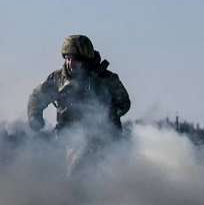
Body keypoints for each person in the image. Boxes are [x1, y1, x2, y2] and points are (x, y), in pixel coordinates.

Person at [27, 34, 131, 175]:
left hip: (103, 141)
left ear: (85, 60)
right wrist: (34, 116)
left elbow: (124, 103)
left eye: (75, 59)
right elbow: (37, 97)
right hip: (67, 140)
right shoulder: (58, 79)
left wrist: (107, 116)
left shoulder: (105, 79)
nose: (70, 63)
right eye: (68, 58)